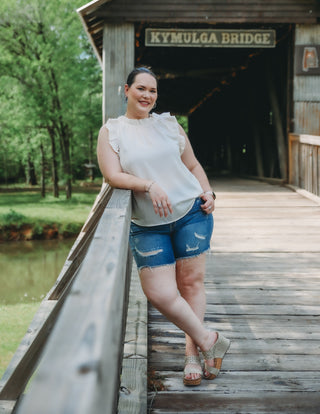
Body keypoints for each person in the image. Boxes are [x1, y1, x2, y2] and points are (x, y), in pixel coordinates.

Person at [97, 67, 230, 386]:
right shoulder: (112, 131)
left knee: (191, 286)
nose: (147, 96)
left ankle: (192, 357)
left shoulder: (169, 124)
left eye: (153, 91)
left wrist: (208, 191)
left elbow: (193, 165)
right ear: (125, 89)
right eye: (140, 89)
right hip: (148, 225)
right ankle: (209, 338)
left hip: (191, 213)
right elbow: (113, 176)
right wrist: (148, 185)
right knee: (159, 292)